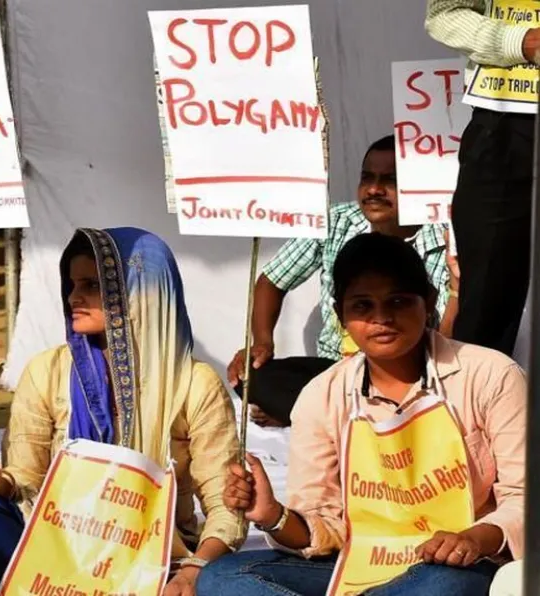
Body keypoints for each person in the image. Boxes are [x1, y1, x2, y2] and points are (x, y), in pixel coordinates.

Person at [199, 233, 523, 596]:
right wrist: (274, 516)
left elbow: (524, 499)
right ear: (341, 315)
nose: (381, 318)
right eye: (362, 306)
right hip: (358, 561)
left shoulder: (490, 374)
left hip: (455, 565)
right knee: (220, 577)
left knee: (443, 585)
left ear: (428, 302)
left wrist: (474, 539)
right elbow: (324, 526)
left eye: (398, 302)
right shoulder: (322, 395)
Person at [0, 227, 244, 596]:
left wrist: (195, 571)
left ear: (140, 293)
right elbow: (26, 479)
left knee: (229, 582)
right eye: (71, 285)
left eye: (90, 285)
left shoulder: (195, 383)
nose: (73, 298)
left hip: (155, 557)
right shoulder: (48, 370)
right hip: (55, 548)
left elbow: (227, 506)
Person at [227, 135, 457, 427]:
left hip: (412, 377)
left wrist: (456, 289)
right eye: (367, 178)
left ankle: (320, 417)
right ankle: (336, 416)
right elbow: (272, 280)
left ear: (418, 188)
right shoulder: (337, 221)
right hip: (336, 373)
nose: (374, 189)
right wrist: (262, 343)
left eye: (390, 180)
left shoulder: (446, 240)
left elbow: (450, 341)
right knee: (251, 376)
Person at [426, 0, 539, 356]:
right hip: (506, 121)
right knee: (487, 296)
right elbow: (444, 16)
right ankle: (479, 406)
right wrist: (522, 41)